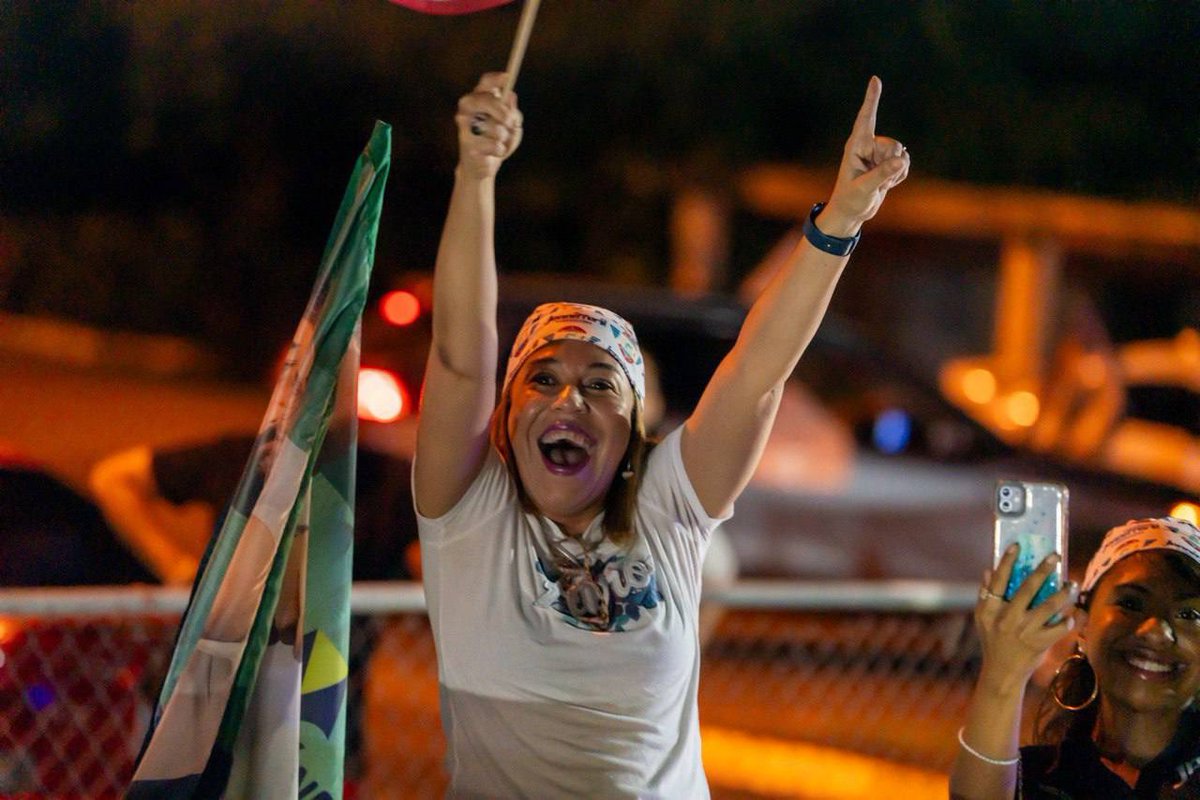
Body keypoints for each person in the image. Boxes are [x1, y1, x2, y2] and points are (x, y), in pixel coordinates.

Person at [413, 70, 908, 796]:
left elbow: (756, 373)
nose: (568, 399)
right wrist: (477, 174)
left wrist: (840, 219)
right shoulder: (467, 511)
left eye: (600, 385)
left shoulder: (669, 505)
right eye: (542, 379)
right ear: (505, 414)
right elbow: (460, 356)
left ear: (637, 427)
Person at [950, 516, 1200, 799]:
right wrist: (1003, 674)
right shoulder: (1033, 779)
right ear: (1083, 624)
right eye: (1131, 603)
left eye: (1189, 615)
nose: (1156, 631)